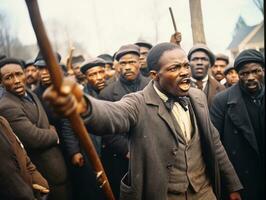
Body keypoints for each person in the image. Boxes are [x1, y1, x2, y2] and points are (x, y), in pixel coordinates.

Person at [44, 42, 243, 200]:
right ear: (155, 75)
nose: (184, 72)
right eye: (175, 68)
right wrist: (84, 106)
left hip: (205, 193)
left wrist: (232, 186)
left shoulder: (197, 97)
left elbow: (215, 144)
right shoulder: (137, 103)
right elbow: (112, 115)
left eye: (185, 66)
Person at [0, 58, 71, 200]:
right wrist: (53, 134)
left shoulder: (30, 94)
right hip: (44, 172)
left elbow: (42, 126)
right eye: (9, 77)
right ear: (1, 83)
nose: (16, 80)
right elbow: (34, 138)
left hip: (58, 167)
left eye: (19, 74)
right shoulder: (7, 106)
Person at [210, 49, 265, 200]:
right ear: (238, 74)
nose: (251, 78)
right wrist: (231, 186)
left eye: (256, 72)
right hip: (242, 182)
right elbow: (215, 146)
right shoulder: (222, 101)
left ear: (263, 71)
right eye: (244, 74)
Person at [99, 44, 150, 199]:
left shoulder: (153, 86)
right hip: (123, 158)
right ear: (118, 66)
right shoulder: (107, 93)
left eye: (132, 62)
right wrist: (129, 150)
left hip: (153, 153)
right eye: (123, 63)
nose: (127, 67)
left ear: (139, 63)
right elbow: (106, 130)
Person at [0, 115, 49, 200]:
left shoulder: (2, 121)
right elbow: (8, 177)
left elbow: (20, 150)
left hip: (28, 189)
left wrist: (36, 177)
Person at [188, 44, 225, 108]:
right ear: (188, 63)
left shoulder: (221, 89)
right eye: (195, 59)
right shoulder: (179, 88)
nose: (199, 62)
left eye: (204, 59)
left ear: (210, 64)